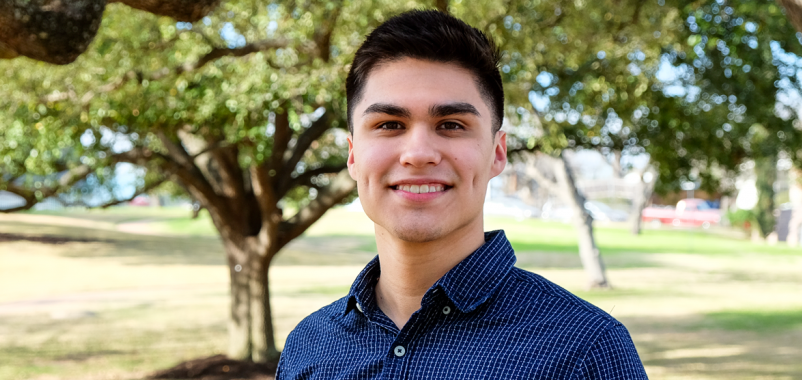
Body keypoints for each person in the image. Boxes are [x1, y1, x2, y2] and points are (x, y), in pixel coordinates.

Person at [276, 10, 647, 379]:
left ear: (497, 153)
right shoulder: (308, 346)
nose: (419, 153)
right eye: (389, 124)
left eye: (451, 125)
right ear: (354, 155)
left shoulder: (584, 351)